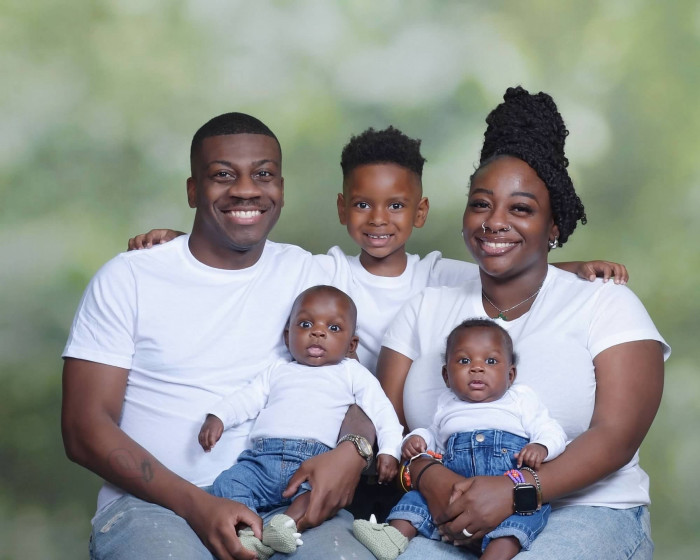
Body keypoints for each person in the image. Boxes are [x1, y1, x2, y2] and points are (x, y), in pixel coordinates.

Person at [127, 125, 629, 522]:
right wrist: (182, 241)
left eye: (396, 206)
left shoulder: (437, 276)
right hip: (341, 449)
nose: (378, 219)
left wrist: (575, 268)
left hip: (405, 451)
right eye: (363, 204)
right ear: (342, 208)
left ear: (420, 212)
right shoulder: (324, 271)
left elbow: (508, 265)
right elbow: (252, 258)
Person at [61, 112, 380, 560]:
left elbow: (356, 390)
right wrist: (199, 505)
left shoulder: (312, 276)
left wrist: (353, 450)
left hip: (289, 500)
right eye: (223, 175)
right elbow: (83, 428)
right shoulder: (130, 277)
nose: (246, 189)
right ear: (194, 190)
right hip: (155, 507)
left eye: (263, 175)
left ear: (281, 188)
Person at [377, 86, 670, 560]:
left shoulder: (605, 304)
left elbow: (615, 438)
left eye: (520, 209)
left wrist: (515, 491)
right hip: (442, 511)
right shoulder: (425, 307)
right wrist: (429, 476)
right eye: (481, 203)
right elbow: (383, 424)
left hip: (584, 512)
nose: (494, 222)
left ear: (553, 227)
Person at [198, 285, 403, 559]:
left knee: (317, 496)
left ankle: (285, 525)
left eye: (333, 328)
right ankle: (248, 533)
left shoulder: (352, 373)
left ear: (351, 345)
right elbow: (247, 398)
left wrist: (390, 450)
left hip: (313, 464)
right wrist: (219, 417)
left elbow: (383, 411)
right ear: (288, 336)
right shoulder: (277, 370)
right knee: (228, 482)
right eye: (306, 324)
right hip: (261, 460)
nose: (318, 332)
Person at [354, 319, 566, 560]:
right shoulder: (447, 405)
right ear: (446, 375)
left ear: (510, 374)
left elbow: (551, 429)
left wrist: (541, 446)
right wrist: (417, 438)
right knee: (415, 501)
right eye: (464, 361)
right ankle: (392, 537)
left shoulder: (520, 400)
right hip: (451, 493)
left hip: (505, 493)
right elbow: (433, 434)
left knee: (523, 516)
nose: (477, 368)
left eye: (491, 361)